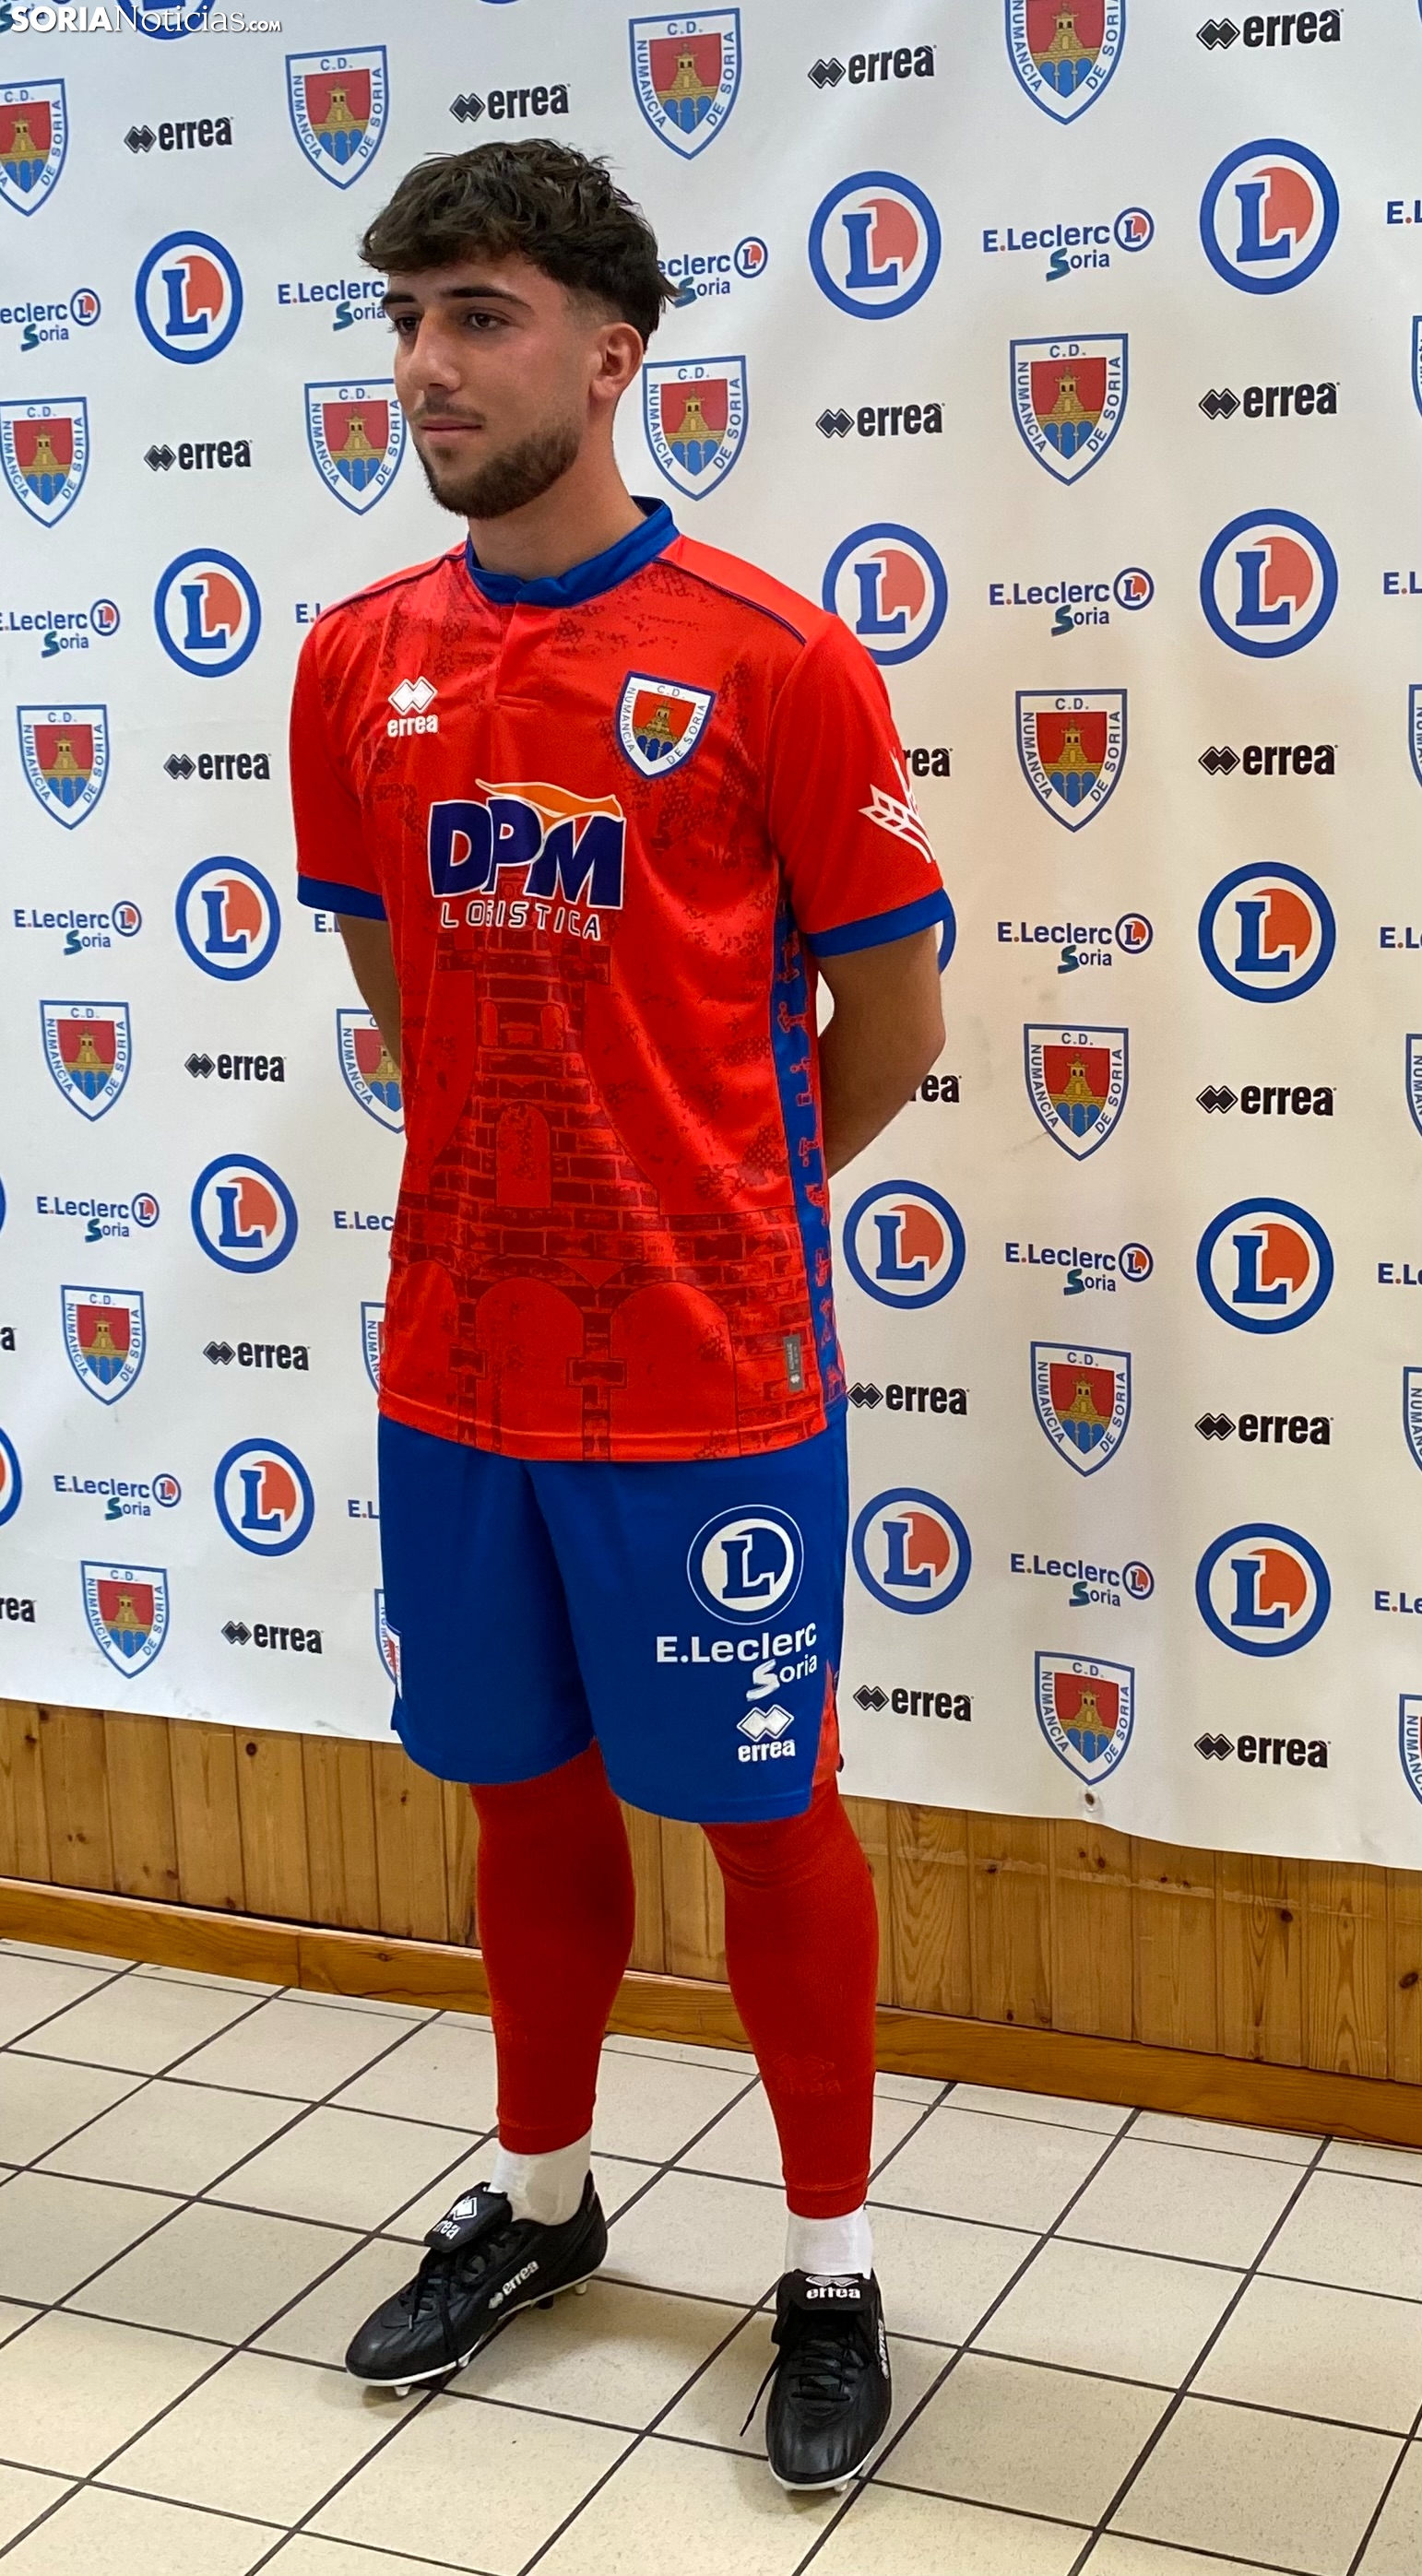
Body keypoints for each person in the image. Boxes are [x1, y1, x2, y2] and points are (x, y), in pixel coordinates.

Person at [288, 139, 948, 2493]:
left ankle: (832, 2259)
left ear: (610, 351)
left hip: (711, 1373)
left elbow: (894, 1023)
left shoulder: (776, 657)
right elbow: (403, 989)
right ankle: (545, 2197)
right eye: (404, 320)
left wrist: (712, 1199)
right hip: (459, 1363)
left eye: (476, 316)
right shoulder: (353, 661)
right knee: (522, 1793)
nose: (425, 366)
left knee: (768, 1817)